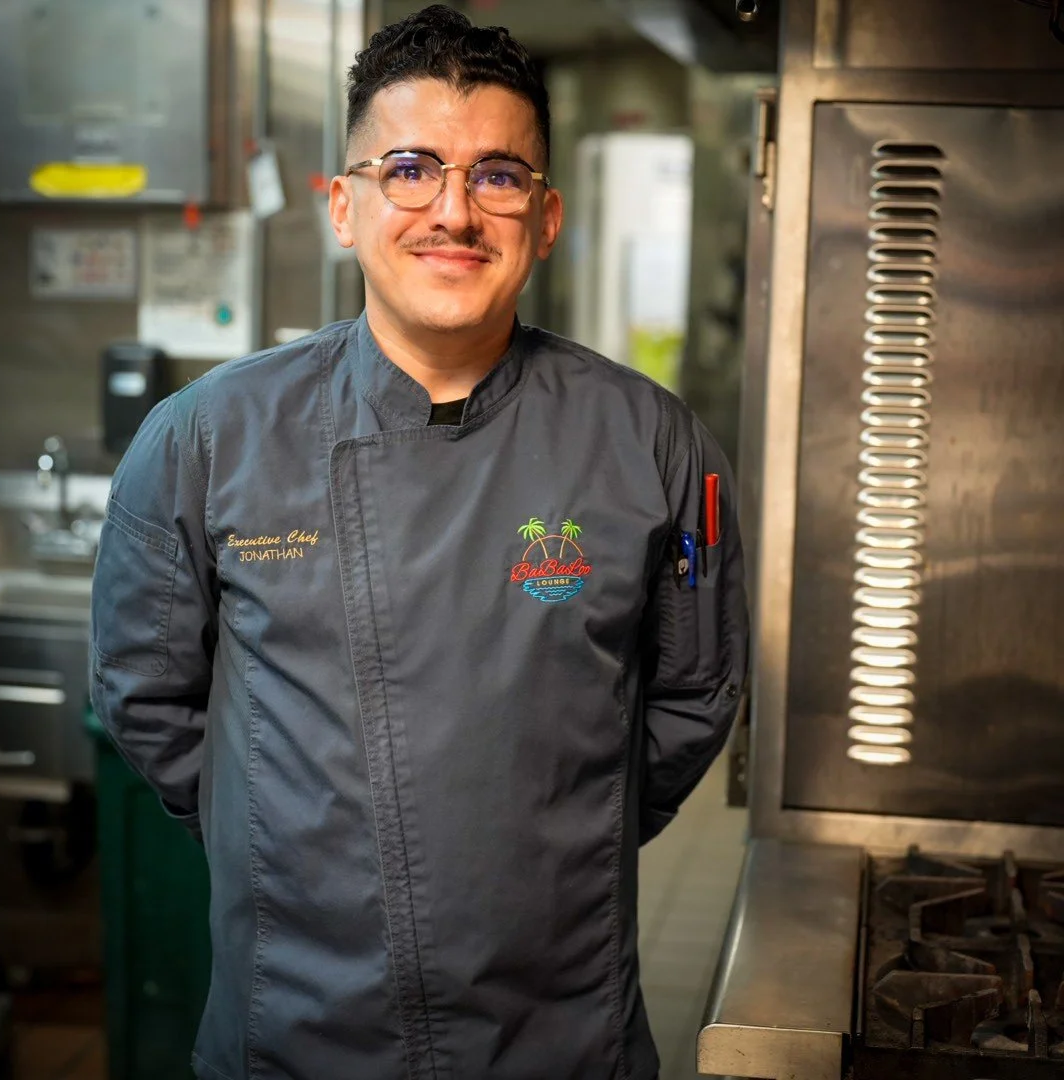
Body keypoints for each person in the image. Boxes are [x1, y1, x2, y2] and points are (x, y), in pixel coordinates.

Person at [89, 6, 749, 1079]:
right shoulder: (205, 439)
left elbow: (692, 697)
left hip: (562, 1033)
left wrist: (543, 842)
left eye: (497, 176)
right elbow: (146, 698)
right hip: (294, 1029)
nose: (453, 211)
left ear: (545, 217)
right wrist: (294, 840)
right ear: (343, 206)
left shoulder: (652, 443)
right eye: (409, 170)